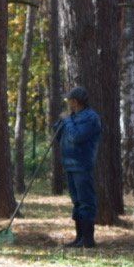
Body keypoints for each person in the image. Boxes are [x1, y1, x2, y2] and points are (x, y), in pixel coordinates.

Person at [56, 87, 103, 249]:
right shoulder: (73, 116)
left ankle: (88, 240)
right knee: (77, 202)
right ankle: (79, 237)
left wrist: (67, 121)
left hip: (82, 165)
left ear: (75, 101)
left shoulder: (91, 118)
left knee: (85, 202)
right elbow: (59, 135)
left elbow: (77, 137)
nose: (68, 103)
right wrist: (61, 123)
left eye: (69, 100)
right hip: (70, 164)